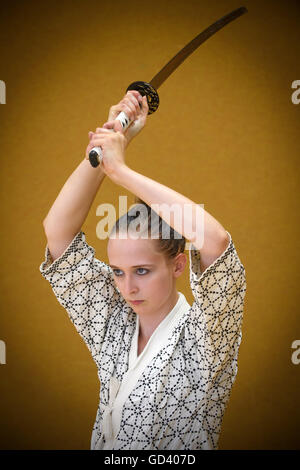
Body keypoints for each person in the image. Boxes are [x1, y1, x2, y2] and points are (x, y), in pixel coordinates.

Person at [39, 90, 247, 450]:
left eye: (142, 271)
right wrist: (112, 145)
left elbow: (214, 241)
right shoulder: (114, 323)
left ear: (178, 264)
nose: (127, 287)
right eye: (117, 271)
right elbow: (57, 233)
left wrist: (121, 171)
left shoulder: (206, 335)